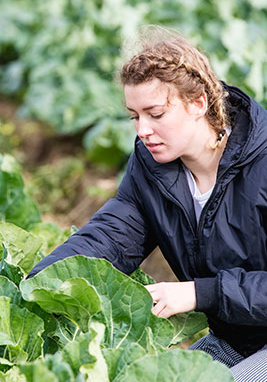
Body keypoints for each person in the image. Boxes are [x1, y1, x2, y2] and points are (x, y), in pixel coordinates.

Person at [28, 26, 267, 381]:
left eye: (155, 114)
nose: (142, 130)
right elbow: (111, 236)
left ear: (199, 102)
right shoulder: (152, 167)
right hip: (238, 337)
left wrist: (201, 293)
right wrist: (34, 286)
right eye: (134, 116)